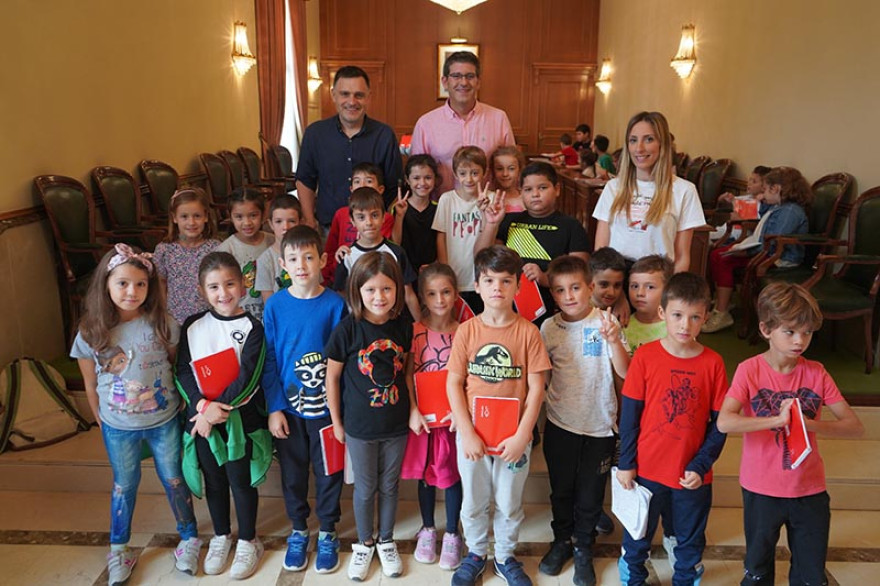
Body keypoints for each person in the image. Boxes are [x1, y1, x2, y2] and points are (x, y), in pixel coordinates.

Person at [717, 282, 864, 586]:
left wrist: (805, 424)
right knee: (757, 569)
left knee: (811, 574)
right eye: (790, 331)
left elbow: (854, 426)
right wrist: (775, 420)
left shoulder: (817, 372)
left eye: (808, 332)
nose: (800, 341)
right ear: (765, 329)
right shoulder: (749, 370)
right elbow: (725, 422)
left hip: (809, 490)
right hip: (761, 490)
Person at [70, 244, 200, 585]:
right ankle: (119, 548)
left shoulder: (163, 324)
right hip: (118, 426)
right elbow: (89, 381)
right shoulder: (91, 331)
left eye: (141, 284)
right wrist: (101, 418)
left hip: (163, 421)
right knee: (124, 485)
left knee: (174, 478)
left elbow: (173, 365)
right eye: (123, 284)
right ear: (106, 286)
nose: (132, 292)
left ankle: (189, 538)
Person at [446, 245, 552, 586]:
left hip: (513, 438)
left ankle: (505, 555)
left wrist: (524, 435)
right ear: (476, 285)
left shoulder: (529, 333)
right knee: (474, 499)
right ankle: (476, 553)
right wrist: (466, 430)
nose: (497, 288)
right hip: (473, 435)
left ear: (518, 286)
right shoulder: (467, 331)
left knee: (508, 500)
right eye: (489, 280)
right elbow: (454, 382)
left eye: (505, 281)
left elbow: (537, 389)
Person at [616, 272, 728, 586]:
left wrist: (701, 464)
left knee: (689, 539)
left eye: (695, 317)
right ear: (663, 313)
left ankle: (685, 578)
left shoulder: (714, 363)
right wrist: (626, 463)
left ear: (706, 317)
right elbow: (630, 416)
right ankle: (633, 575)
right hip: (646, 470)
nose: (685, 325)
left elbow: (720, 424)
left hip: (692, 475)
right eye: (678, 315)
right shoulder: (645, 357)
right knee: (638, 535)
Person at [175, 252, 270, 579]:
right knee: (214, 482)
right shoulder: (192, 326)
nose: (223, 292)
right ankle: (221, 536)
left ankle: (248, 539)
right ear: (202, 291)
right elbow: (183, 374)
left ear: (243, 285)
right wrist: (202, 407)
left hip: (239, 421)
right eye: (214, 286)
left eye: (230, 284)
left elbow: (249, 376)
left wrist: (216, 410)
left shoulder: (253, 328)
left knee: (240, 481)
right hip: (202, 422)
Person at [538, 255, 629, 585]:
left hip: (600, 428)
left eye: (575, 288)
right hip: (560, 425)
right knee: (561, 491)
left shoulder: (606, 323)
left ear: (590, 287)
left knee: (591, 496)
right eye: (560, 290)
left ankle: (584, 548)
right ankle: (562, 541)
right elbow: (541, 375)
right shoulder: (548, 328)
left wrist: (613, 340)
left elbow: (625, 372)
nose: (569, 296)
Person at [262, 226, 348, 574]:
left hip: (327, 411)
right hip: (289, 411)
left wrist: (340, 411)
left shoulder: (335, 305)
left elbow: (343, 363)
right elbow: (268, 359)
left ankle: (327, 531)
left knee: (329, 471)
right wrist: (274, 407)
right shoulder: (276, 306)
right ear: (282, 263)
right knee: (294, 474)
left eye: (309, 257)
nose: (301, 265)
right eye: (293, 259)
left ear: (323, 261)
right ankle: (299, 530)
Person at [326, 252, 413, 581]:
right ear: (357, 291)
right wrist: (337, 421)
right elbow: (331, 378)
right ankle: (364, 543)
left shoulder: (404, 326)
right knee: (364, 489)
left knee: (390, 486)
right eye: (371, 290)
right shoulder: (347, 330)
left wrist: (414, 409)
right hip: (359, 428)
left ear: (398, 290)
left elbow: (407, 371)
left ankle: (386, 540)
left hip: (396, 425)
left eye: (387, 289)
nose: (380, 297)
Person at [400, 263, 464, 570]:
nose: (440, 299)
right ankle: (428, 527)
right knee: (426, 474)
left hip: (454, 420)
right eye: (432, 293)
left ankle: (452, 533)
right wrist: (413, 409)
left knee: (451, 475)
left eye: (446, 292)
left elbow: (470, 377)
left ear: (456, 293)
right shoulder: (414, 331)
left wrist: (460, 411)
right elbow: (409, 374)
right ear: (423, 297)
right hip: (423, 420)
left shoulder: (466, 330)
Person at [476, 161, 590, 322]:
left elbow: (579, 273)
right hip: (507, 309)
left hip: (552, 312)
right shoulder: (508, 221)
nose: (535, 194)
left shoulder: (571, 226)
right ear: (520, 192)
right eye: (528, 189)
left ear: (557, 189)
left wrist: (545, 278)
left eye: (542, 188)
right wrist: (491, 224)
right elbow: (481, 258)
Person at [593, 111, 705, 274]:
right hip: (615, 277)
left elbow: (681, 256)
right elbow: (601, 247)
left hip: (657, 278)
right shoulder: (613, 187)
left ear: (663, 144)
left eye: (649, 139)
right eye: (633, 140)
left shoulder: (684, 190)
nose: (639, 148)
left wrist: (669, 295)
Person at [702, 166, 811, 333]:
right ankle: (722, 304)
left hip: (780, 259)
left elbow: (774, 242)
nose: (764, 194)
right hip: (766, 251)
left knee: (723, 257)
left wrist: (745, 251)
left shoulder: (790, 211)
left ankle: (722, 311)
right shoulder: (779, 206)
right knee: (718, 255)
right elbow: (759, 218)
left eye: (766, 190)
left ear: (776, 189)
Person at [295, 65, 402, 230]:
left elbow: (394, 186)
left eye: (359, 95)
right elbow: (305, 181)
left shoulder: (384, 135)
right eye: (345, 94)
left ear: (368, 97)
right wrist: (309, 221)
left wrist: (386, 226)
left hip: (372, 230)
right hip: (327, 228)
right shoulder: (315, 134)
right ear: (333, 95)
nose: (352, 102)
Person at [411, 51, 514, 195]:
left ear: (478, 82)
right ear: (445, 82)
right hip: (441, 210)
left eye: (470, 76)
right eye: (456, 76)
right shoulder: (426, 124)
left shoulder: (499, 118)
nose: (464, 82)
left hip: (489, 210)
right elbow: (416, 174)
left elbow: (511, 168)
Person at [333, 187, 421, 318]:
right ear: (352, 220)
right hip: (360, 325)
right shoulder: (347, 255)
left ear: (383, 217)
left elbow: (408, 293)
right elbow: (341, 293)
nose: (369, 222)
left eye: (374, 215)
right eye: (361, 217)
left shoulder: (396, 252)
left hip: (392, 323)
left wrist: (420, 326)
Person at [433, 145, 490, 314]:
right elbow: (440, 237)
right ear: (456, 174)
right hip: (455, 275)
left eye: (474, 173)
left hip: (482, 276)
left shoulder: (491, 199)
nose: (469, 179)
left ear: (484, 173)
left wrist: (485, 211)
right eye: (463, 173)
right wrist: (445, 271)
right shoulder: (447, 199)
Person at [153, 187, 220, 324]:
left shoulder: (215, 248)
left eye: (197, 216)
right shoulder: (164, 250)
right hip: (175, 318)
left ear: (206, 216)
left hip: (209, 317)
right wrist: (164, 314)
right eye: (184, 216)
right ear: (174, 218)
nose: (191, 222)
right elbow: (161, 284)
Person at [324, 162, 395, 287]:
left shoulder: (385, 217)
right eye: (357, 181)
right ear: (351, 189)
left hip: (372, 276)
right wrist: (327, 276)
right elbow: (331, 249)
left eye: (368, 181)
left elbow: (377, 245)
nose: (362, 185)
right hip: (343, 275)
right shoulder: (341, 214)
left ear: (380, 189)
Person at [215, 188, 274, 321]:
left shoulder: (273, 242)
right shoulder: (226, 250)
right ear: (231, 217)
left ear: (263, 215)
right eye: (239, 217)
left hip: (271, 312)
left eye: (253, 215)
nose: (247, 222)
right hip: (241, 316)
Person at [392, 154, 440, 276]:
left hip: (432, 270)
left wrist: (437, 263)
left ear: (435, 179)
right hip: (404, 271)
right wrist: (399, 216)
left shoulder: (439, 208)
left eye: (428, 177)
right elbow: (395, 243)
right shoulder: (398, 208)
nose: (422, 183)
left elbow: (442, 242)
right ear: (407, 180)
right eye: (416, 178)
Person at [624, 254, 675, 353]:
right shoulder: (623, 324)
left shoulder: (674, 327)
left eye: (650, 287)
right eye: (634, 286)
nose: (640, 293)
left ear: (667, 290)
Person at [255, 194, 302, 301]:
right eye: (278, 221)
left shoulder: (308, 254)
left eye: (292, 221)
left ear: (300, 222)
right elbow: (269, 302)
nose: (285, 227)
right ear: (270, 224)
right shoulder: (265, 260)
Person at [589, 247, 627, 313]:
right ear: (589, 280)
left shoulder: (623, 310)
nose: (611, 293)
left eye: (617, 285)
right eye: (604, 285)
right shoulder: (579, 311)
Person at [490, 146, 527, 213]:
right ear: (493, 170)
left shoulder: (526, 197)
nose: (505, 174)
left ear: (520, 170)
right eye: (499, 169)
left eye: (511, 169)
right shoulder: (489, 198)